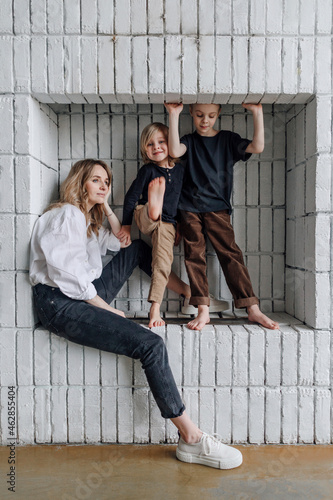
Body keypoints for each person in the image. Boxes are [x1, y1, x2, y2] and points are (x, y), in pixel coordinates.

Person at [29, 158, 243, 470]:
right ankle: (191, 438)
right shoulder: (66, 215)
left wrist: (108, 210)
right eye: (96, 181)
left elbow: (119, 242)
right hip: (59, 305)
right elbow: (68, 278)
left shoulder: (86, 220)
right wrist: (108, 309)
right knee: (150, 345)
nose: (104, 186)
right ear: (79, 183)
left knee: (136, 248)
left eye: (107, 182)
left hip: (78, 294)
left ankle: (190, 294)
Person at [165, 102, 279, 331]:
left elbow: (257, 147)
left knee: (230, 254)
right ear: (192, 114)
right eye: (199, 115)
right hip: (189, 208)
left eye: (210, 115)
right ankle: (203, 309)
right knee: (194, 256)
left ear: (218, 115)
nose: (205, 120)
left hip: (218, 208)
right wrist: (174, 115)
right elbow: (174, 151)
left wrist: (257, 112)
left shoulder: (227, 140)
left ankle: (252, 308)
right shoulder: (190, 140)